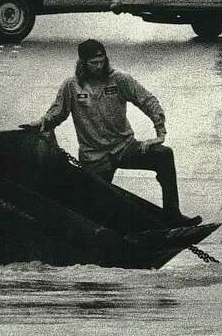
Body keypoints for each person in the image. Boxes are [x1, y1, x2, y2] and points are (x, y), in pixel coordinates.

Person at [24, 39, 201, 225]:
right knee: (94, 212)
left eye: (102, 61)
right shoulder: (71, 86)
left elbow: (147, 99)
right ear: (83, 64)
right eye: (93, 63)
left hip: (124, 148)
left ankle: (172, 214)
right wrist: (40, 124)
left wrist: (159, 126)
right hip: (94, 157)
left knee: (164, 155)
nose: (99, 66)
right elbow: (55, 114)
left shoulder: (119, 79)